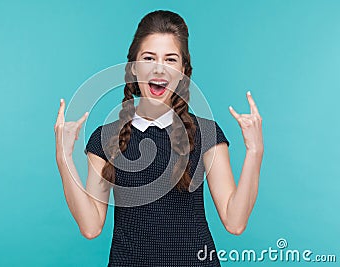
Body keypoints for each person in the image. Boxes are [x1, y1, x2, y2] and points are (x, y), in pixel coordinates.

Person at [54, 10, 264, 267]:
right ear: (133, 67)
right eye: (149, 57)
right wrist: (64, 158)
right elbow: (90, 227)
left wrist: (255, 151)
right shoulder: (106, 138)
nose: (159, 69)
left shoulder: (206, 134)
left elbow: (235, 221)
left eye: (171, 59)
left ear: (184, 70)